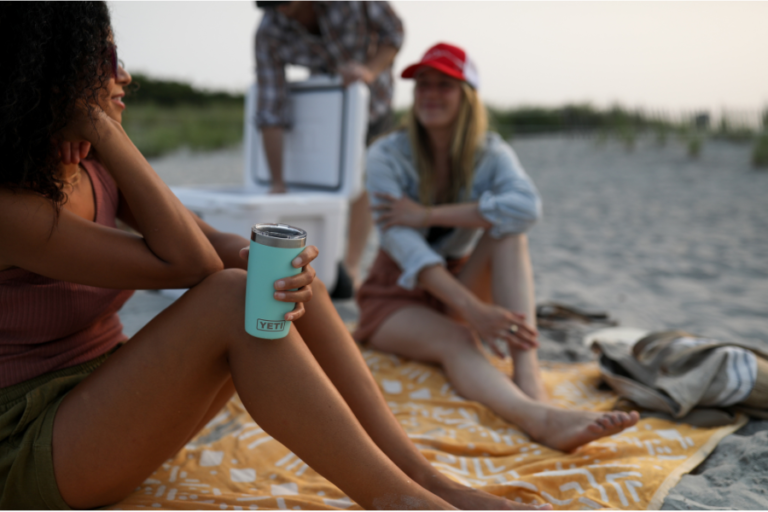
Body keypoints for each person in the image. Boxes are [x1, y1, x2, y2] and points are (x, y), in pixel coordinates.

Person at [0, 5, 548, 510]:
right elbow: (188, 266)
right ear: (54, 72)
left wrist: (276, 263)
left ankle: (424, 480)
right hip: (35, 444)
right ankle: (400, 501)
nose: (124, 76)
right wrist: (104, 128)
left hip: (116, 398)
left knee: (269, 272)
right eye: (104, 59)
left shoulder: (95, 169)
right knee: (235, 296)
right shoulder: (9, 206)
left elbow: (208, 241)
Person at [355, 42, 640, 452]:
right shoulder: (386, 153)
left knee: (510, 231)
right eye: (422, 84)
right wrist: (474, 310)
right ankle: (540, 419)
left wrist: (429, 215)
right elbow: (404, 246)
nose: (430, 93)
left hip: (459, 279)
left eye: (443, 85)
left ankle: (528, 375)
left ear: (467, 95)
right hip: (394, 297)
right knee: (459, 339)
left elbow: (527, 208)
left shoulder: (489, 150)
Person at [254, 1, 403, 293]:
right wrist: (278, 182)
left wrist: (369, 71)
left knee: (366, 175)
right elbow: (270, 107)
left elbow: (393, 33)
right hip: (329, 109)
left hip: (375, 101)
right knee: (323, 179)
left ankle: (351, 264)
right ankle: (326, 263)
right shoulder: (269, 30)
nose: (281, 10)